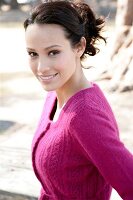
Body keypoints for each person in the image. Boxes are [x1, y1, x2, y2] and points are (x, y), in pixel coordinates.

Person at [24, 1, 133, 199]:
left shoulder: (85, 115)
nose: (41, 67)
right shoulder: (54, 95)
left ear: (80, 47)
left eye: (53, 52)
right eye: (33, 54)